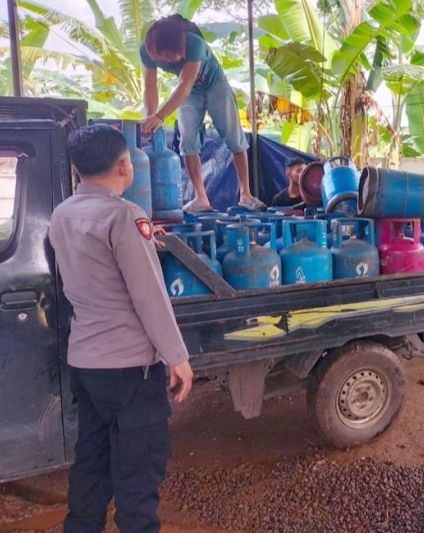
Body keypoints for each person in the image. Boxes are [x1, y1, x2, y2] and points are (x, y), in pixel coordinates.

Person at [48, 125, 194, 533]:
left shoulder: (61, 214)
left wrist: (143, 241)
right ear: (126, 165)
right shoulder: (125, 215)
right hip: (130, 369)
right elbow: (149, 296)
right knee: (138, 468)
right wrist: (177, 357)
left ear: (76, 168)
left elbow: (91, 269)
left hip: (86, 363)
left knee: (91, 459)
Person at [139, 15, 266, 213]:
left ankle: (246, 194)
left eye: (180, 54)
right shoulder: (146, 51)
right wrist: (150, 117)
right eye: (173, 56)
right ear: (158, 52)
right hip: (190, 93)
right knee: (187, 142)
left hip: (214, 84)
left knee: (234, 138)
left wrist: (160, 116)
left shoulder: (194, 43)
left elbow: (185, 85)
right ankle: (201, 197)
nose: (178, 59)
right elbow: (150, 85)